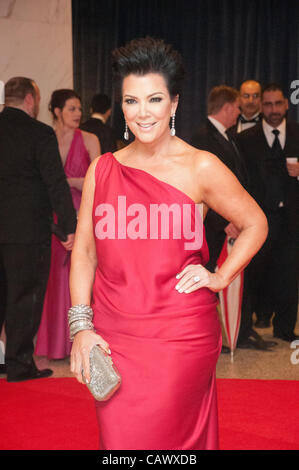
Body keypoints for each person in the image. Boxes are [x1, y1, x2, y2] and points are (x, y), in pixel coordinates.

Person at [69, 37, 268, 450]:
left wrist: (219, 277)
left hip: (180, 336)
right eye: (131, 101)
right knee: (120, 443)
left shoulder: (200, 166)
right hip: (112, 336)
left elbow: (254, 223)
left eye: (154, 99)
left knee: (169, 443)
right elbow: (85, 253)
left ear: (174, 103)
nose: (142, 113)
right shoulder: (101, 170)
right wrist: (80, 328)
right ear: (121, 106)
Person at [0, 77, 77, 381]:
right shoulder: (39, 133)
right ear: (31, 99)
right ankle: (20, 365)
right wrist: (69, 225)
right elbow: (55, 182)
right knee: (25, 297)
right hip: (27, 232)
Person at [190, 86, 275, 351]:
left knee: (235, 278)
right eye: (237, 107)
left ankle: (238, 332)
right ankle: (212, 335)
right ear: (227, 107)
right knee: (208, 279)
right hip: (214, 228)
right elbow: (201, 188)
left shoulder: (226, 136)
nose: (239, 112)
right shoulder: (203, 138)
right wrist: (224, 221)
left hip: (232, 222)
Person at [35, 89, 100, 359]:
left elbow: (101, 179)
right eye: (72, 108)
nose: (78, 114)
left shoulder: (90, 138)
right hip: (52, 219)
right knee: (52, 279)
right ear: (57, 111)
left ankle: (80, 339)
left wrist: (72, 182)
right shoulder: (44, 137)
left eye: (79, 108)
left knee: (76, 273)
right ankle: (54, 344)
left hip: (81, 214)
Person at [237, 83, 299, 342]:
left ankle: (285, 329)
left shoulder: (298, 133)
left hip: (291, 220)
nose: (273, 110)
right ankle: (245, 329)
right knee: (252, 274)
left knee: (289, 275)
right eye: (268, 104)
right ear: (262, 107)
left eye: (278, 104)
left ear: (286, 104)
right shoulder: (244, 140)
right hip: (257, 221)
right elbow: (237, 181)